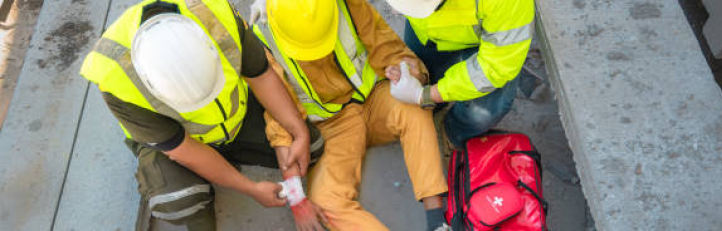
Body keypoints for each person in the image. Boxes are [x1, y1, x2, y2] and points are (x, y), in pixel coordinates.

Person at [79, 0, 327, 230]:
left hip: (235, 118)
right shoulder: (113, 76)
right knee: (178, 200)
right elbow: (184, 149)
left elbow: (261, 75)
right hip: (176, 142)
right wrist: (250, 189)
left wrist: (298, 131)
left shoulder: (214, 13)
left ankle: (225, 161)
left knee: (311, 146)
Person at [250, 0, 449, 230]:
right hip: (332, 127)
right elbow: (279, 121)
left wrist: (412, 76)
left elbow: (388, 47)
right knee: (325, 203)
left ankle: (438, 222)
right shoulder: (263, 40)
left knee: (415, 105)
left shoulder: (346, 3)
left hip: (375, 97)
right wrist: (297, 199)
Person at [384, 0, 536, 147]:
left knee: (483, 112)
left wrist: (426, 95)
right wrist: (420, 78)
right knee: (420, 76)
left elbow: (494, 67)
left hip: (484, 41)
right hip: (425, 30)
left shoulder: (511, 3)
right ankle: (428, 110)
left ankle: (454, 133)